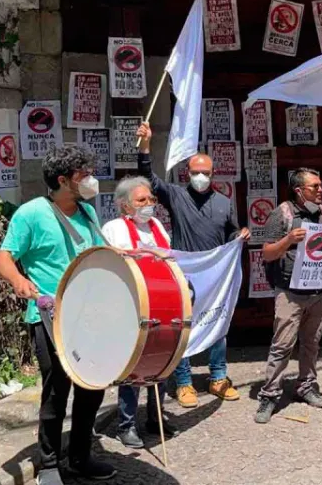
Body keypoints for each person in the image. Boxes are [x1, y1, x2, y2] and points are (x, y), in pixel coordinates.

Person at [0, 146, 115, 485]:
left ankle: (79, 456)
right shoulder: (32, 213)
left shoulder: (89, 213)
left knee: (93, 387)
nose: (90, 179)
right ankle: (47, 462)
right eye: (83, 174)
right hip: (50, 315)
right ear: (63, 180)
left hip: (89, 315)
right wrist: (18, 279)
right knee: (56, 390)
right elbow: (4, 257)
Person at [137, 122, 249, 408]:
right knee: (183, 327)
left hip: (215, 276)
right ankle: (184, 383)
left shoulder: (224, 203)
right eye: (196, 172)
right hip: (184, 274)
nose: (200, 176)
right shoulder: (176, 195)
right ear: (188, 173)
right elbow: (148, 178)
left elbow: (232, 232)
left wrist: (241, 236)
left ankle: (218, 377)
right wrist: (146, 145)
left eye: (205, 173)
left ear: (213, 175)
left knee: (217, 323)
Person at [254, 168, 322, 423]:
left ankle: (306, 386)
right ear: (299, 191)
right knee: (282, 345)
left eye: (320, 185)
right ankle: (269, 395)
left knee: (312, 343)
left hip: (318, 291)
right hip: (290, 292)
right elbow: (267, 253)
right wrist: (289, 239)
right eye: (314, 187)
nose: (320, 190)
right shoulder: (281, 214)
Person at [100, 177, 179, 449]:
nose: (149, 205)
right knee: (134, 366)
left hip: (162, 304)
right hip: (130, 305)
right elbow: (108, 263)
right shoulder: (113, 228)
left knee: (162, 361)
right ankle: (127, 424)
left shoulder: (157, 226)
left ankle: (156, 418)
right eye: (141, 200)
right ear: (124, 206)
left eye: (151, 200)